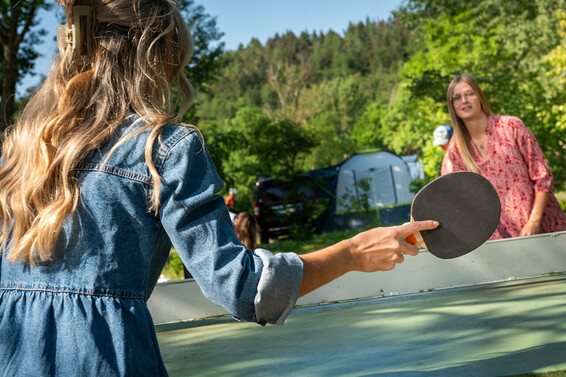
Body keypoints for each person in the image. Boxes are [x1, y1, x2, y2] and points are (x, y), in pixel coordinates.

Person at [0, 1, 437, 376]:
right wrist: (353, 253)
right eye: (179, 61)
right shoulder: (163, 148)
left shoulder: (24, 148)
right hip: (105, 356)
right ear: (157, 54)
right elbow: (242, 287)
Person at [442, 74, 566, 239]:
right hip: (503, 242)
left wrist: (534, 220)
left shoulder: (510, 127)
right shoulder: (456, 151)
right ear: (452, 106)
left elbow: (543, 178)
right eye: (457, 97)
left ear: (480, 96)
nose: (464, 100)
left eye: (469, 94)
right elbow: (461, 203)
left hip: (545, 230)